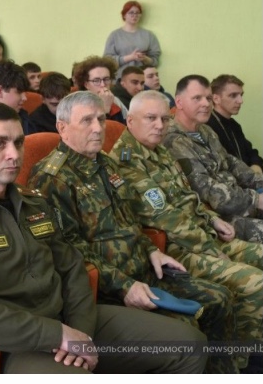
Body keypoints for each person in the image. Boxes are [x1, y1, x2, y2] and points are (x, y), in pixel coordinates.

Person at [0, 101, 207, 374]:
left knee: (190, 345)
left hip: (72, 321)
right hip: (18, 342)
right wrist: (56, 335)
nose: (14, 154)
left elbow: (72, 268)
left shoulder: (33, 202)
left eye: (18, 142)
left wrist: (79, 332)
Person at [27, 91, 239, 373]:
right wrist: (124, 286)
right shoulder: (52, 178)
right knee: (186, 330)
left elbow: (129, 218)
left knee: (220, 299)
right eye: (87, 120)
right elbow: (70, 250)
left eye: (101, 119)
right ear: (62, 127)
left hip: (144, 270)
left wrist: (151, 250)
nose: (97, 128)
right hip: (110, 288)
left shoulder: (105, 163)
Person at [109, 90, 263, 371]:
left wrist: (212, 219)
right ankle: (244, 363)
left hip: (202, 236)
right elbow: (166, 218)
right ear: (130, 121)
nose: (160, 125)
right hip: (175, 250)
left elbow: (187, 198)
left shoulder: (160, 151)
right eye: (151, 118)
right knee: (255, 282)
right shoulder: (126, 161)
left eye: (164, 119)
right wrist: (211, 248)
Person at [163, 75, 263, 243]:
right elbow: (206, 190)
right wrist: (256, 200)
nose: (206, 104)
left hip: (240, 203)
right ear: (179, 102)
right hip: (217, 218)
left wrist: (260, 183)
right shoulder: (173, 140)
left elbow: (231, 163)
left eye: (208, 98)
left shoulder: (206, 131)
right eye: (197, 98)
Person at [208, 74, 263, 173]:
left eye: (241, 95)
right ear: (216, 99)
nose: (240, 101)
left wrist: (256, 165)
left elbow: (251, 153)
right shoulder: (208, 126)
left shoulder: (234, 125)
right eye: (233, 95)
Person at [104, 0, 161, 79]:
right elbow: (107, 61)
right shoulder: (115, 35)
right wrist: (130, 57)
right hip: (120, 79)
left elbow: (155, 61)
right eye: (131, 12)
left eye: (137, 13)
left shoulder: (148, 35)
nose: (134, 15)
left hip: (143, 80)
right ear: (124, 15)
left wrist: (145, 58)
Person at [71, 55, 128, 124]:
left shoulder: (115, 100)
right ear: (86, 84)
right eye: (96, 80)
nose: (103, 85)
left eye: (106, 79)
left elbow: (125, 127)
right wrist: (105, 109)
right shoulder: (79, 106)